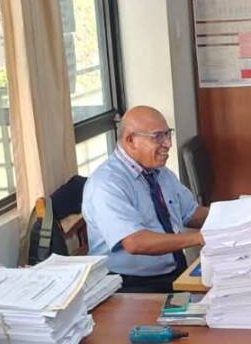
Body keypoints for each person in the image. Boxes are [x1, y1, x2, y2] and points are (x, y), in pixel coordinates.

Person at [82, 105, 209, 292]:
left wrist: (239, 217)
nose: (168, 144)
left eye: (167, 134)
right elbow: (135, 242)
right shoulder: (106, 183)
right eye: (158, 137)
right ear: (131, 140)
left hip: (174, 272)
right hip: (129, 285)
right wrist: (199, 238)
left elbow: (192, 213)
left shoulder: (160, 172)